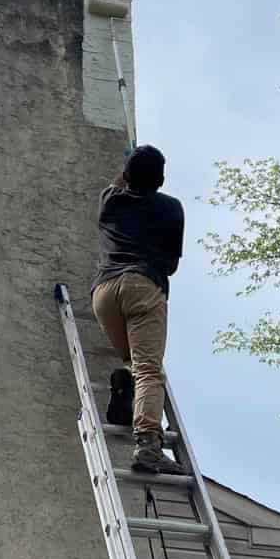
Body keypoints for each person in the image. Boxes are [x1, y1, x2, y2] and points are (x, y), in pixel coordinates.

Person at [91, 143, 185, 475]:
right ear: (160, 180)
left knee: (134, 362)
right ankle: (147, 444)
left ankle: (125, 393)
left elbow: (117, 182)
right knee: (149, 369)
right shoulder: (172, 209)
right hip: (142, 287)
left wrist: (128, 164)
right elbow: (171, 266)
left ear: (128, 173)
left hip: (104, 294)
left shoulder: (110, 201)